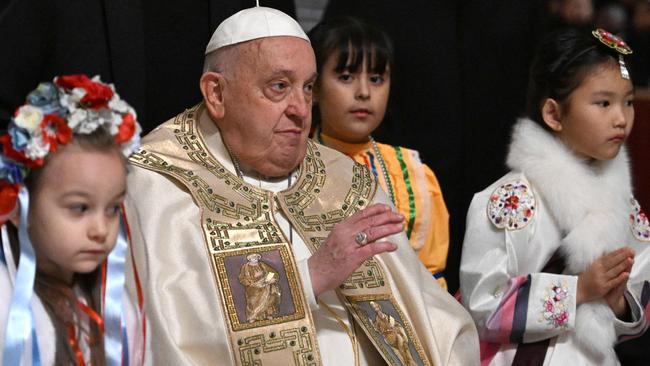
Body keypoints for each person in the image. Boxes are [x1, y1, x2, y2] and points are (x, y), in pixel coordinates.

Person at [124, 5, 479, 365]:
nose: (300, 108)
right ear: (216, 94)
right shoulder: (160, 182)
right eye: (279, 87)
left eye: (307, 87)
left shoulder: (344, 179)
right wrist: (309, 278)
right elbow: (165, 333)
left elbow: (432, 320)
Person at [460, 28, 650, 365]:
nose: (621, 118)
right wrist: (577, 291)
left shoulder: (626, 207)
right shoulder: (510, 200)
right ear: (554, 114)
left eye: (628, 102)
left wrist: (618, 301)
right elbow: (482, 306)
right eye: (603, 103)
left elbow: (641, 297)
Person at [0, 75, 144, 365]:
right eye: (79, 208)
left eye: (112, 208)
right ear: (18, 205)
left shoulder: (115, 306)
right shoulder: (5, 303)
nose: (101, 230)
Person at [308, 16, 450, 288]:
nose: (363, 92)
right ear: (314, 87)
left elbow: (432, 277)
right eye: (346, 76)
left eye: (376, 78)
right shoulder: (294, 167)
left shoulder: (412, 173)